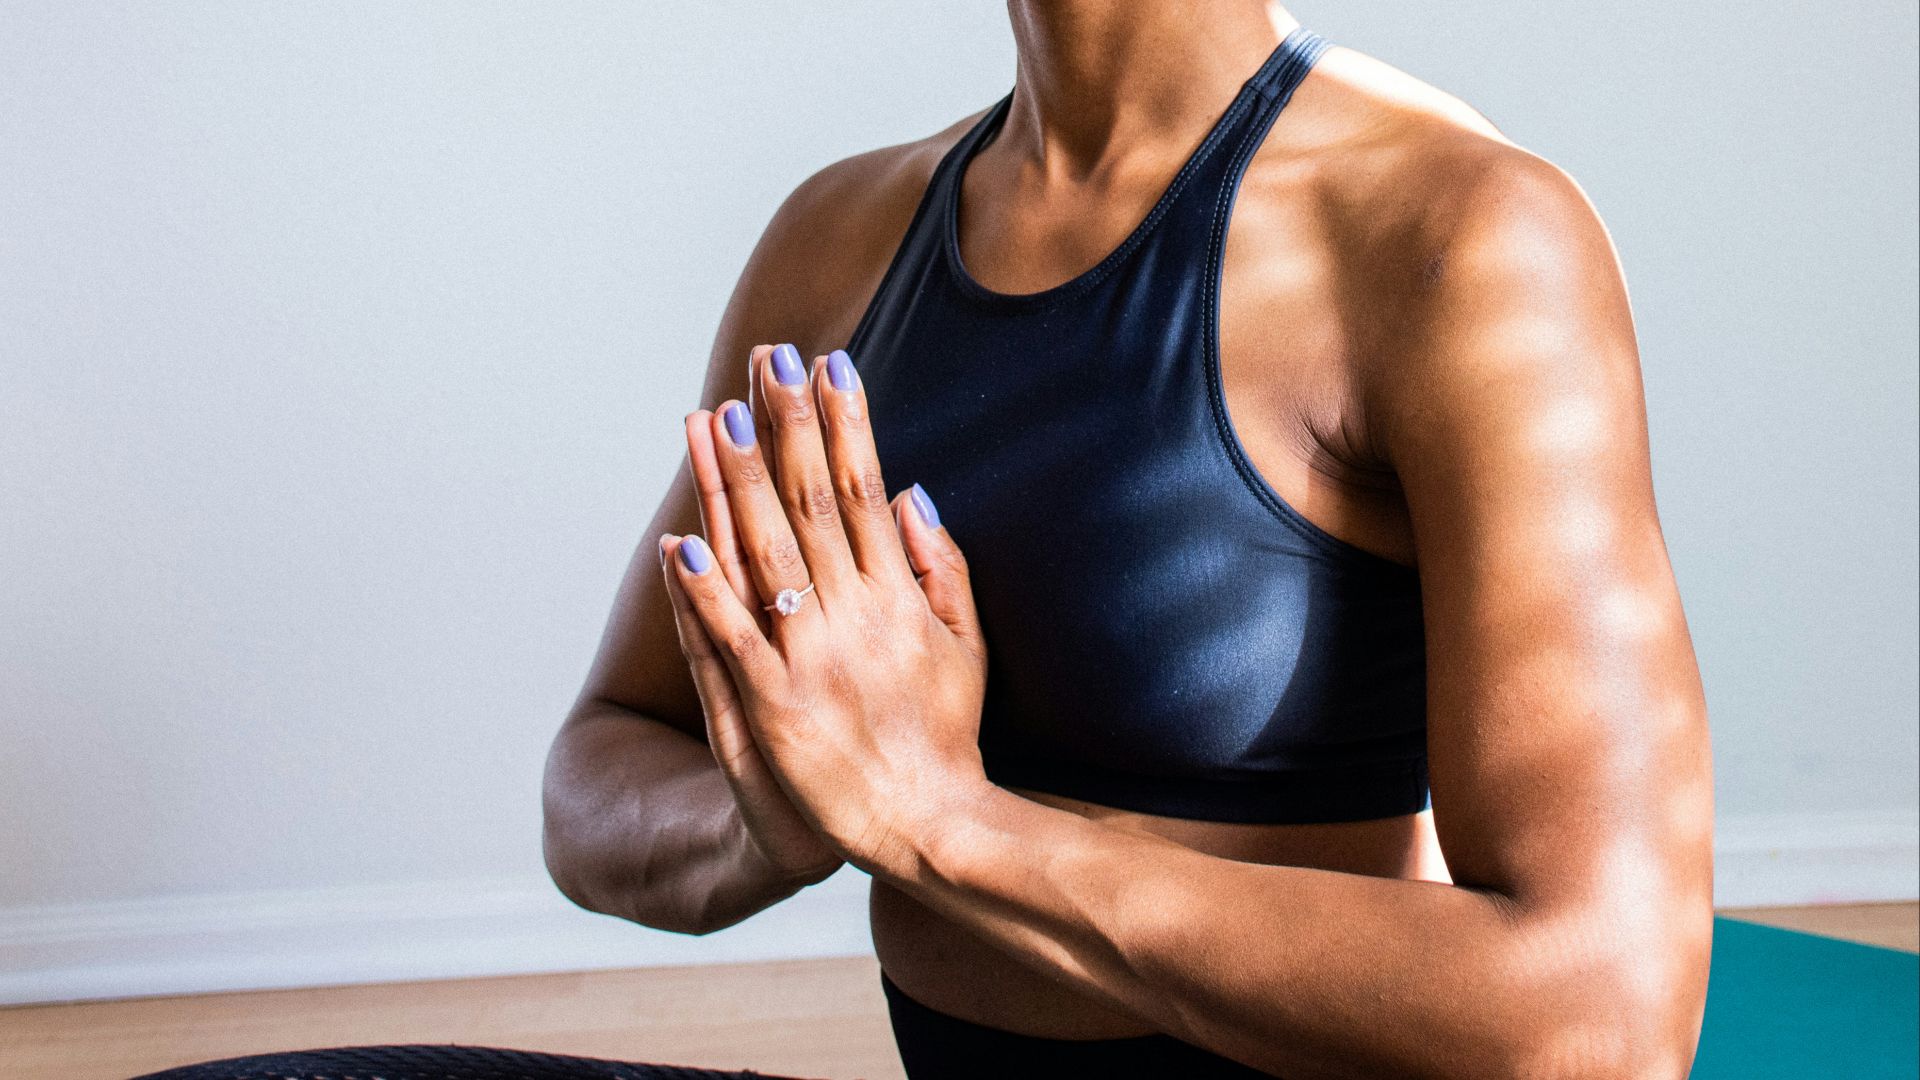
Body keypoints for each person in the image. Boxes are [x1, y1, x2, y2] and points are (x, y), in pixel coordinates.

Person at [542, 3, 1714, 1078]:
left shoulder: (1461, 234)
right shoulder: (837, 236)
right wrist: (771, 821)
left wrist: (945, 826)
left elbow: (1603, 1010)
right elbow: (600, 765)